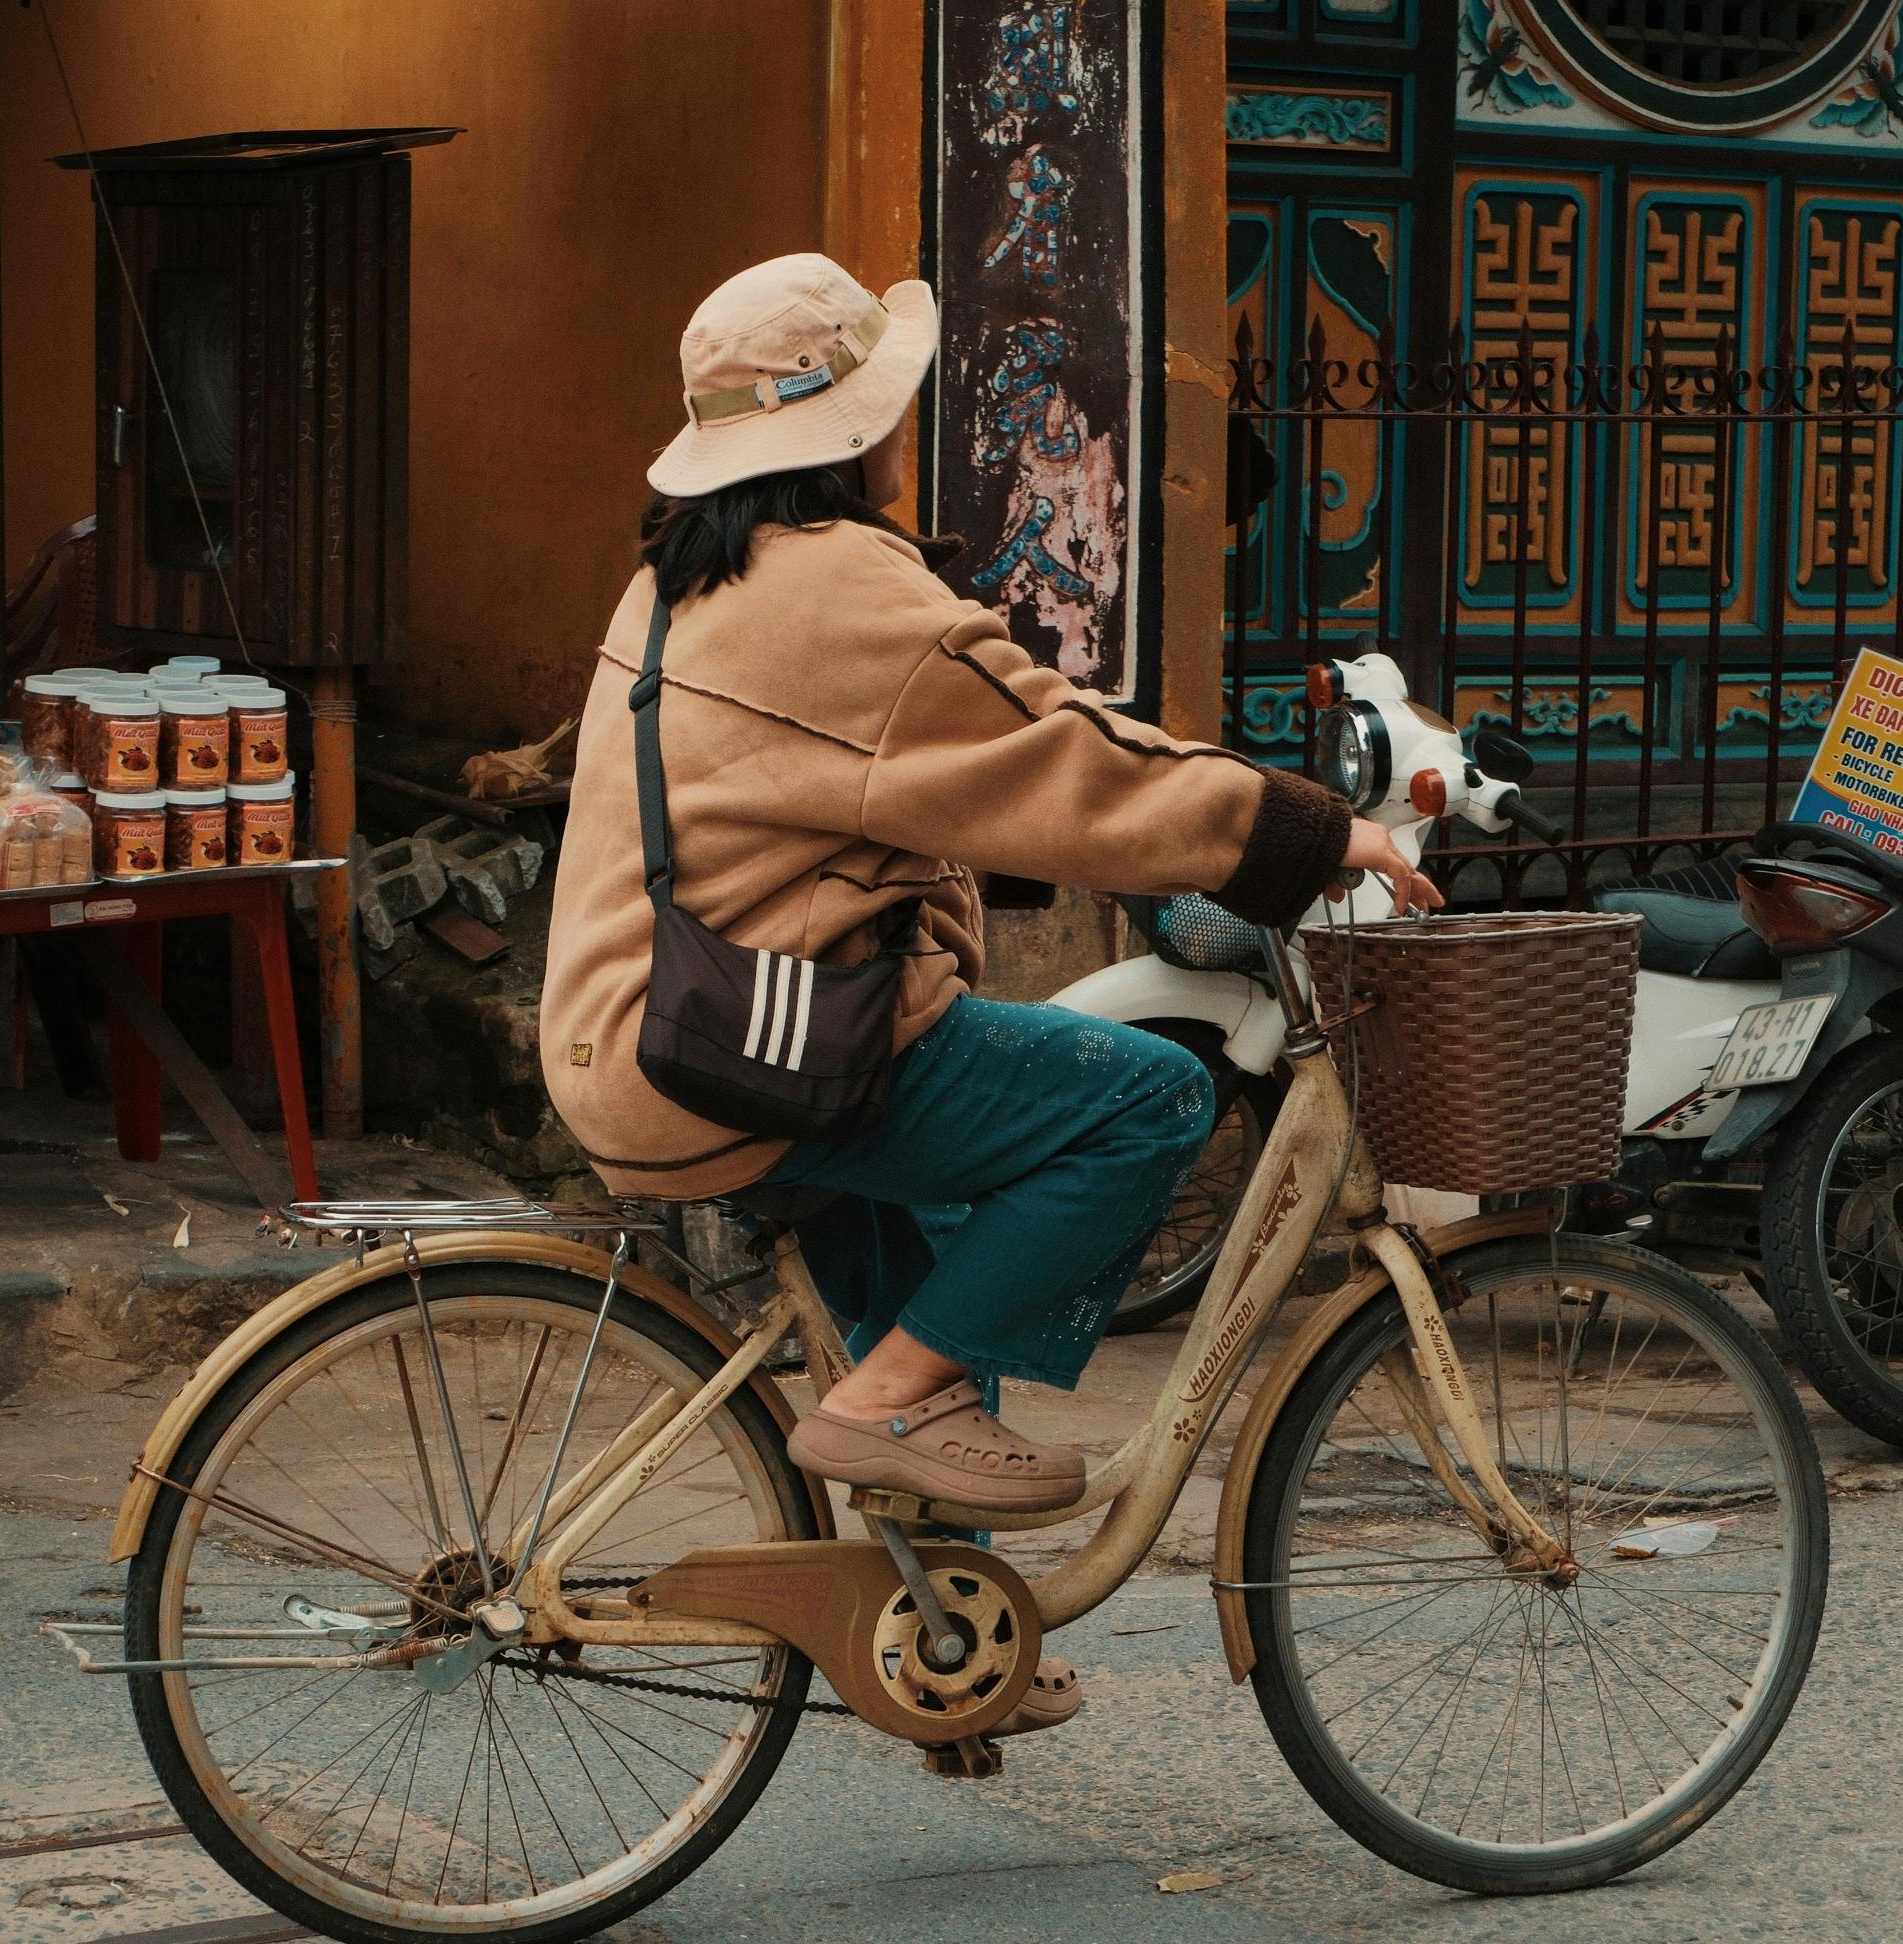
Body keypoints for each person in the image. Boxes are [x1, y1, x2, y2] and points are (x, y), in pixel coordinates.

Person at [541, 251, 1436, 1541]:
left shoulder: (686, 577)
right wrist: (1309, 831)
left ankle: (945, 1632)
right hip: (755, 1052)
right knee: (1151, 1098)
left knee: (955, 1286)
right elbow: (1068, 761)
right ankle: (885, 1400)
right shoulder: (840, 588)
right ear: (853, 432)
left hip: (653, 1034)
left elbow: (898, 781)